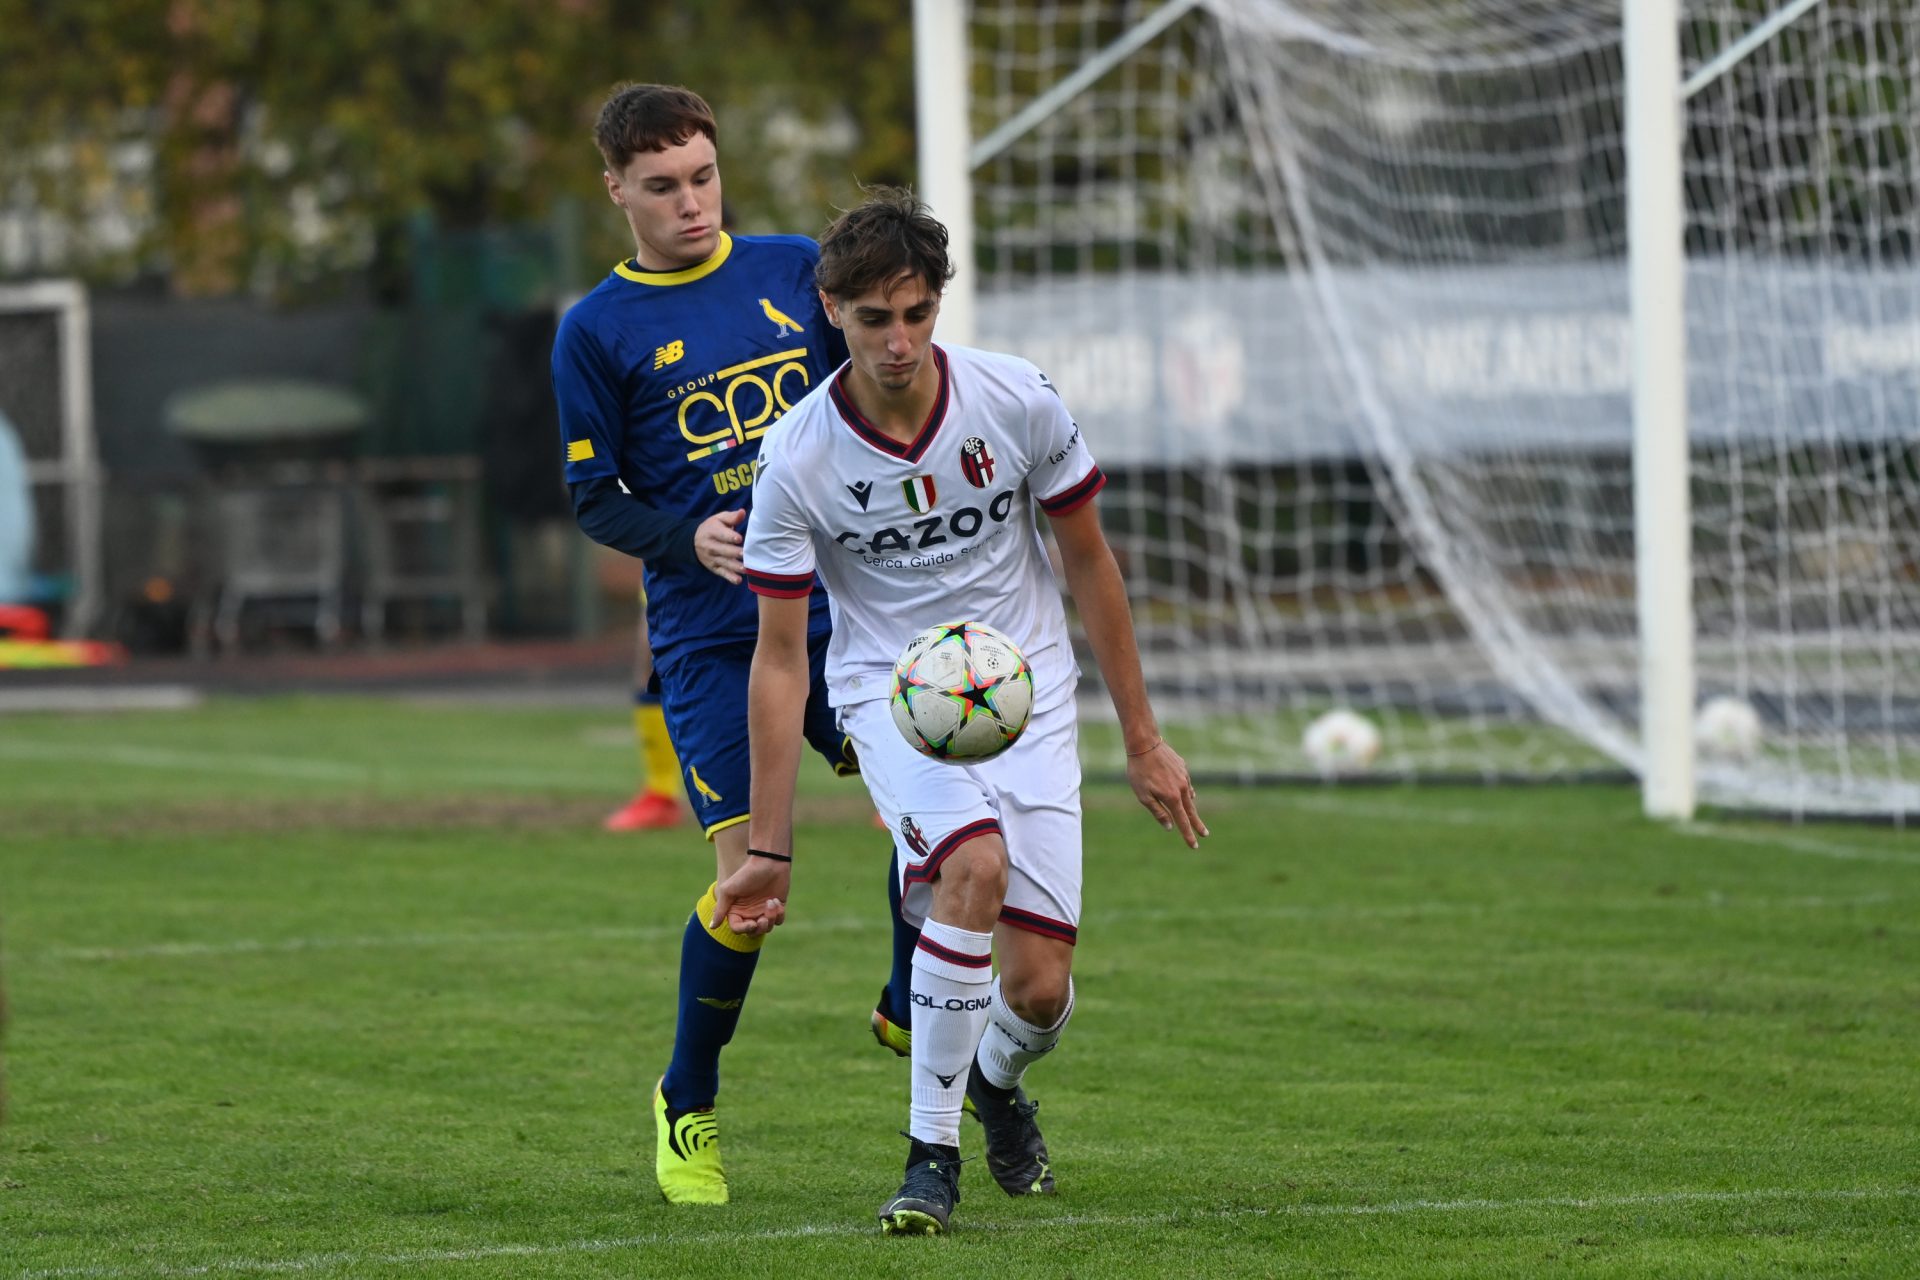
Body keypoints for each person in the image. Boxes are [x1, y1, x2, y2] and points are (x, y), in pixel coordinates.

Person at [718, 187, 1206, 1235]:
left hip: (1027, 691)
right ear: (831, 309)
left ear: (939, 303)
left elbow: (1090, 559)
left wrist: (1146, 738)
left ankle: (992, 1080)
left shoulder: (1016, 396)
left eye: (916, 312)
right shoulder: (800, 454)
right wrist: (769, 842)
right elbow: (775, 657)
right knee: (972, 868)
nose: (898, 341)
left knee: (1037, 991)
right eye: (872, 318)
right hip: (888, 694)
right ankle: (928, 1155)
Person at [551, 83, 915, 1205]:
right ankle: (687, 1099)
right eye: (661, 187)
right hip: (713, 643)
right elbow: (590, 494)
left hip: (840, 616)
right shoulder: (593, 330)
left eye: (702, 177)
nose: (690, 203)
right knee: (751, 891)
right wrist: (682, 531)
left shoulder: (790, 270)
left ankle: (916, 1001)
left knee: (938, 808)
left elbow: (868, 398)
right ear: (617, 190)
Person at [602, 587, 687, 832]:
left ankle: (663, 794)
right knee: (651, 664)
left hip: (711, 565)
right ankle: (661, 793)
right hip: (665, 561)